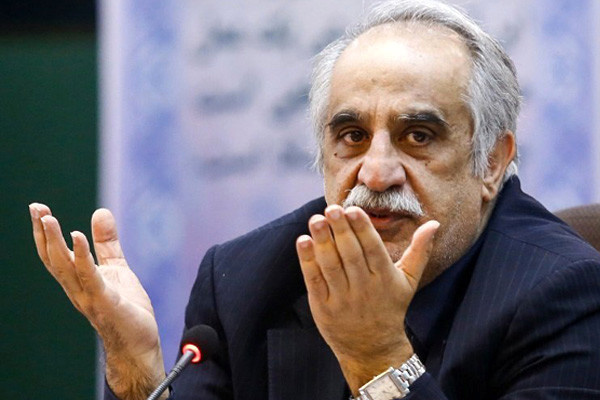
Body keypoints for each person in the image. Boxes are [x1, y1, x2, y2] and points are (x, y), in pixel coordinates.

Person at [29, 0, 600, 399]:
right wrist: (137, 375)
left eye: (417, 136)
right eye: (352, 136)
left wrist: (378, 357)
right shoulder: (245, 279)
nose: (376, 173)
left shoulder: (566, 292)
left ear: (492, 162)